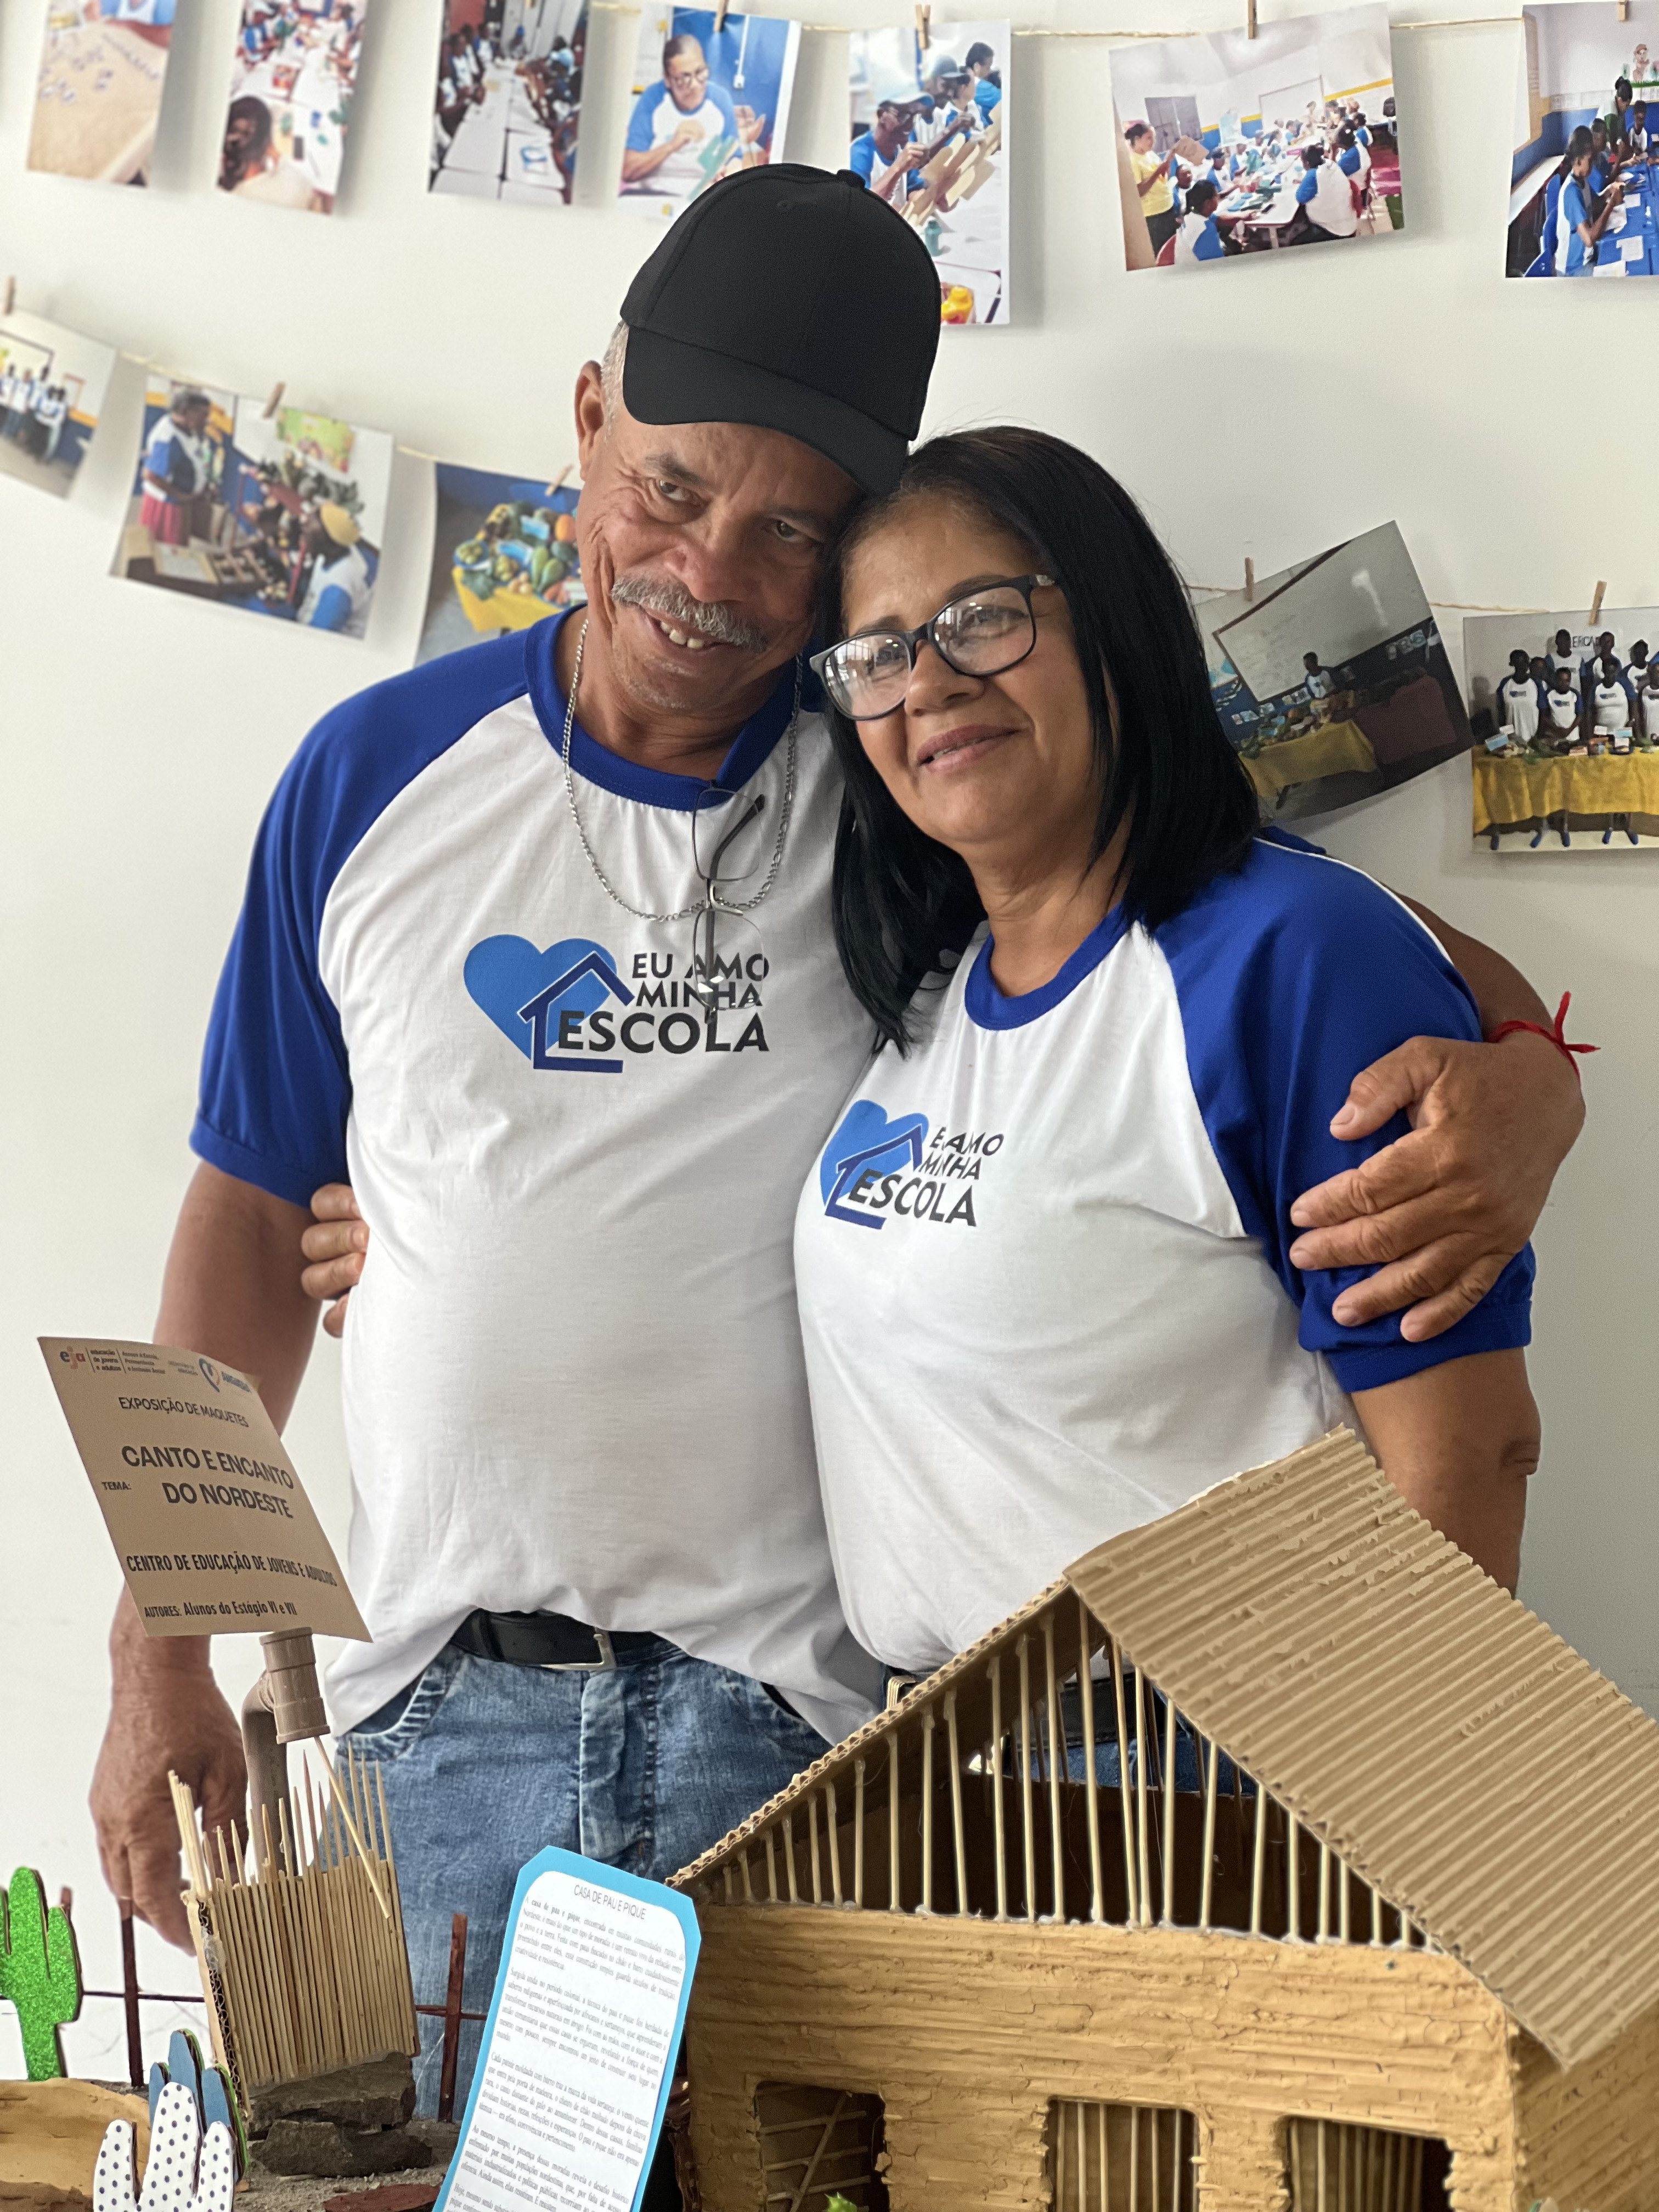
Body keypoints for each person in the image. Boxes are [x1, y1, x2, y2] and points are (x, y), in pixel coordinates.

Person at [99, 167, 1583, 2146]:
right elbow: (236, 1210)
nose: (709, 570)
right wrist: (156, 1652)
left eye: (794, 533)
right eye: (669, 489)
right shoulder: (370, 778)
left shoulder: (906, 774)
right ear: (587, 418)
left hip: (809, 1740)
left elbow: (1297, 933)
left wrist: (1530, 1085)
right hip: (443, 1714)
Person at [795, 429, 1544, 1709]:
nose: (930, 684)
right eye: (879, 653)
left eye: (982, 619)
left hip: (1203, 1769)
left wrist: (1390, 1804)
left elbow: (1471, 1452)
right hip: (933, 1763)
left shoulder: (1289, 953)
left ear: (1112, 624)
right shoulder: (930, 989)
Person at [621, 32, 760, 201]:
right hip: (655, 196)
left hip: (703, 199)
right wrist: (672, 145)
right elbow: (628, 171)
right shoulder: (654, 99)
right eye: (683, 78)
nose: (695, 85)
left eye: (701, 73)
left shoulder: (720, 99)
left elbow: (735, 159)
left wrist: (727, 176)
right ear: (667, 80)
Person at [138, 388, 213, 547]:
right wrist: (179, 496)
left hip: (183, 501)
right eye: (203, 416)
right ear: (186, 412)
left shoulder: (186, 428)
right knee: (169, 548)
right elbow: (150, 474)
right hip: (167, 506)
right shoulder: (168, 440)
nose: (206, 421)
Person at [296, 503, 374, 635]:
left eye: (308, 534)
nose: (304, 524)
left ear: (327, 541)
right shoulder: (335, 550)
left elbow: (316, 637)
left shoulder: (338, 592)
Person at [1555, 127, 1622, 275]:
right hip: (1574, 270)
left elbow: (1595, 204)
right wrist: (1611, 204)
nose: (1593, 165)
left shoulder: (1582, 180)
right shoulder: (1571, 192)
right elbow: (1589, 239)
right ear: (1578, 160)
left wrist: (1609, 190)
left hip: (1588, 257)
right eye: (1590, 161)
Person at [848, 83, 927, 199]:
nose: (910, 124)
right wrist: (898, 167)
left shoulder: (902, 149)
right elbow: (862, 204)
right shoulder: (859, 152)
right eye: (903, 115)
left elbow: (913, 192)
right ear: (881, 114)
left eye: (914, 116)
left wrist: (935, 192)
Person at [1126, 121, 1179, 256]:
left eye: (1154, 138)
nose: (1153, 142)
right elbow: (1139, 192)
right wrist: (1157, 172)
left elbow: (1163, 178)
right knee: (1162, 253)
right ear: (1137, 140)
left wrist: (1168, 162)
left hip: (1167, 207)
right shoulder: (1134, 161)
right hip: (1155, 215)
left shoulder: (1150, 155)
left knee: (1173, 248)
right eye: (1149, 138)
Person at [1293, 144, 1359, 242]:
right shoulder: (1330, 164)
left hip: (1333, 229)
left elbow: (1300, 198)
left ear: (1306, 163)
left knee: (1296, 242)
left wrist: (1306, 182)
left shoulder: (1313, 175)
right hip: (1349, 221)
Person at [1173, 178, 1228, 266]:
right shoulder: (1206, 230)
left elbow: (1216, 218)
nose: (1218, 198)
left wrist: (1241, 217)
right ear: (1208, 203)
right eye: (1216, 196)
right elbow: (1218, 265)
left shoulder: (1191, 215)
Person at [1497, 648, 1544, 747]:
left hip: (1533, 738)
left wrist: (1538, 737)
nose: (1524, 665)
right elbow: (1501, 713)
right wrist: (1507, 736)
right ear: (1512, 664)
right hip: (1512, 741)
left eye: (1526, 662)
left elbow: (1543, 711)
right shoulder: (1505, 684)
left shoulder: (1536, 684)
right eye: (1520, 662)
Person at [1541, 667, 1582, 749]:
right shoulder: (1549, 694)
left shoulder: (1575, 694)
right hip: (1555, 737)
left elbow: (1580, 715)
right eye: (1561, 680)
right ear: (1556, 680)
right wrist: (1556, 729)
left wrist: (1568, 730)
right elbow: (1544, 716)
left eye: (1567, 681)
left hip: (1573, 738)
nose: (1564, 684)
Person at [964, 41, 1000, 119]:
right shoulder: (982, 88)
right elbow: (1009, 99)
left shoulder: (958, 83)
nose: (990, 71)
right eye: (988, 68)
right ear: (977, 67)